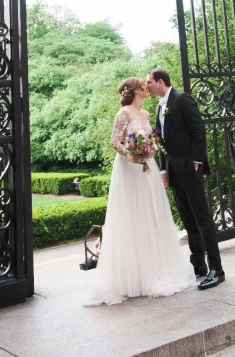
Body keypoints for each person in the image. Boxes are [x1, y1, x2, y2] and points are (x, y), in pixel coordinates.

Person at [82, 77, 195, 306]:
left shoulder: (145, 115)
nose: (146, 88)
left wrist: (150, 149)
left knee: (151, 214)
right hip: (129, 168)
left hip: (147, 167)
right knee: (131, 215)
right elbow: (115, 142)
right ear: (134, 91)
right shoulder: (123, 113)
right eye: (142, 85)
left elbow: (152, 140)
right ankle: (132, 277)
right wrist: (132, 155)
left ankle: (155, 270)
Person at [146, 68, 225, 290]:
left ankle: (216, 270)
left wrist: (196, 163)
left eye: (149, 81)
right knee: (188, 220)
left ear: (160, 82)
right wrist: (163, 169)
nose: (147, 85)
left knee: (202, 218)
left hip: (189, 168)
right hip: (172, 170)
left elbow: (199, 131)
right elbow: (160, 140)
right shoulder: (159, 105)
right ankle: (198, 265)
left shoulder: (182, 99)